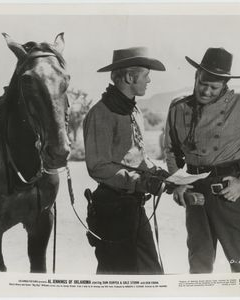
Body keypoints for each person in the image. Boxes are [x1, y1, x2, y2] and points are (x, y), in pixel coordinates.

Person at [164, 47, 240, 273]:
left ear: (225, 85)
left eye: (214, 87)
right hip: (195, 192)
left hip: (229, 191)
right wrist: (179, 184)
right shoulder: (178, 107)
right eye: (202, 83)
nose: (206, 91)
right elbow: (170, 150)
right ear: (196, 77)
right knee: (199, 261)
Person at [83, 47, 171, 274]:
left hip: (133, 207)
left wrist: (158, 173)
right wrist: (141, 182)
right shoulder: (101, 113)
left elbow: (136, 156)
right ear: (131, 77)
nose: (149, 80)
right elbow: (98, 167)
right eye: (146, 75)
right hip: (112, 210)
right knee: (117, 277)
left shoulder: (133, 111)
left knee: (151, 274)